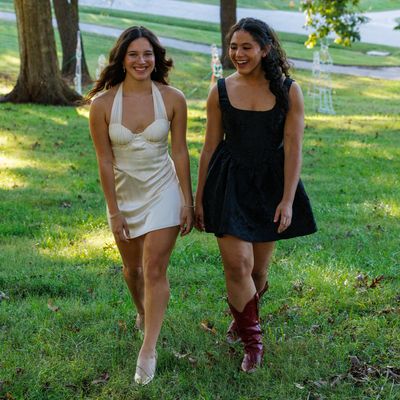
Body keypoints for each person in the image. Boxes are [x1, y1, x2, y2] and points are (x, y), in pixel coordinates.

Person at [195, 18, 317, 373]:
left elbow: (293, 148)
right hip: (229, 184)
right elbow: (209, 148)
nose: (238, 54)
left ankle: (243, 320)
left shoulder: (289, 91)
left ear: (265, 49)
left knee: (259, 270)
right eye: (233, 47)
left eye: (246, 47)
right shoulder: (220, 90)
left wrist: (288, 199)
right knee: (238, 265)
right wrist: (199, 198)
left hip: (269, 186)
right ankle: (253, 343)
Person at [87, 26, 194, 385]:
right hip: (124, 195)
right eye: (133, 54)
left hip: (164, 190)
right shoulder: (102, 105)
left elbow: (180, 151)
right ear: (122, 59)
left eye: (147, 54)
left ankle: (148, 350)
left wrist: (188, 201)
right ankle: (142, 311)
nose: (141, 61)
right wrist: (114, 211)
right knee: (132, 271)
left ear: (156, 58)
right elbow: (104, 161)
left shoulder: (173, 98)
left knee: (154, 269)